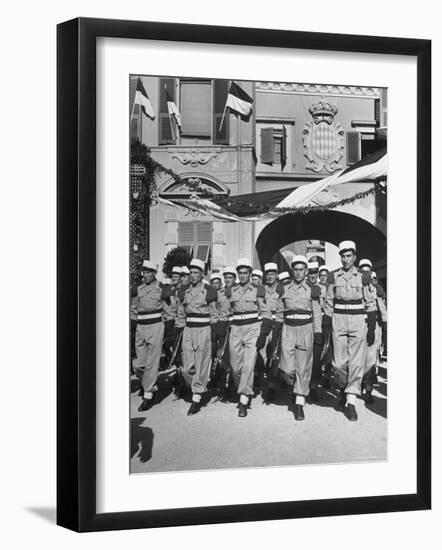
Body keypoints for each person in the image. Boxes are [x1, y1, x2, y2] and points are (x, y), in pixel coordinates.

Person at [323, 241, 376, 421]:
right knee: (338, 364)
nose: (345, 259)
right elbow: (329, 301)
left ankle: (351, 401)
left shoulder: (364, 276)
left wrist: (371, 326)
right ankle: (345, 389)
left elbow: (370, 302)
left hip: (357, 320)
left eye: (349, 256)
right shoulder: (333, 276)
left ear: (354, 257)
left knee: (356, 362)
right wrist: (327, 323)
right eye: (343, 256)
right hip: (338, 319)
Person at [223, 258, 273, 417]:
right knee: (235, 366)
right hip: (236, 330)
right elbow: (225, 312)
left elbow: (265, 312)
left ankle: (244, 398)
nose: (243, 276)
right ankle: (243, 387)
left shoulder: (257, 290)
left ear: (250, 274)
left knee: (248, 365)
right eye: (240, 273)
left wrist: (263, 333)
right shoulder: (231, 291)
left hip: (253, 330)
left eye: (246, 273)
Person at [278, 255, 322, 421]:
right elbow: (279, 312)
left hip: (306, 330)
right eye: (295, 270)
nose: (298, 273)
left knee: (303, 368)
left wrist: (318, 335)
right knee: (287, 368)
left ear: (306, 271)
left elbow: (317, 313)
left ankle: (299, 403)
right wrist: (276, 331)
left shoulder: (312, 290)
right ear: (292, 271)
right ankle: (294, 387)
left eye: (301, 270)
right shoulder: (284, 289)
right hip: (288, 330)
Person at [175, 259, 218, 415]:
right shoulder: (184, 290)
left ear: (201, 274)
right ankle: (195, 386)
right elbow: (180, 312)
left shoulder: (209, 290)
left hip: (203, 330)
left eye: (195, 273)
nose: (192, 275)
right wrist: (178, 330)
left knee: (201, 362)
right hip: (188, 330)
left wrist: (212, 334)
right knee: (187, 366)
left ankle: (197, 396)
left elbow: (214, 314)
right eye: (190, 272)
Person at [133, 260, 174, 412]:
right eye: (144, 272)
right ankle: (148, 383)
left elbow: (168, 311)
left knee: (152, 361)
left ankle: (148, 394)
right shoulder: (138, 289)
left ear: (154, 273)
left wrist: (168, 331)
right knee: (138, 364)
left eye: (149, 272)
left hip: (156, 326)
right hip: (140, 327)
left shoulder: (162, 289)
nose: (146, 275)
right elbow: (133, 308)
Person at [359, 262, 387, 404]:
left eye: (367, 271)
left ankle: (368, 389)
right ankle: (358, 384)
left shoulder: (376, 289)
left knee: (370, 360)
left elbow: (382, 309)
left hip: (373, 325)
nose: (365, 274)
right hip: (357, 325)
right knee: (357, 358)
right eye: (362, 271)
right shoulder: (355, 288)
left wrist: (385, 325)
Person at [261, 262, 284, 403]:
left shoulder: (282, 289)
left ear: (277, 276)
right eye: (267, 274)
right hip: (264, 324)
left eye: (272, 274)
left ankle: (272, 388)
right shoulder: (261, 289)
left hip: (278, 324)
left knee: (276, 355)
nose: (269, 277)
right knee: (264, 355)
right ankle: (269, 380)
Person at [305, 261, 322, 402]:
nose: (312, 275)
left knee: (316, 359)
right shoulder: (302, 287)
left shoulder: (324, 288)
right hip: (305, 326)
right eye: (310, 272)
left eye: (315, 272)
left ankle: (314, 388)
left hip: (320, 327)